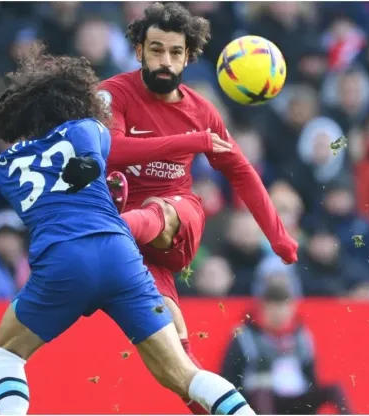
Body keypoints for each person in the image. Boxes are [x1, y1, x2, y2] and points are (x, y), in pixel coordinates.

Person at [0, 46, 255, 416]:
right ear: (73, 102)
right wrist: (88, 163)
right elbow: (91, 142)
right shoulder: (85, 128)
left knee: (6, 354)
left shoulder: (4, 168)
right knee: (181, 374)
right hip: (120, 255)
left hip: (62, 262)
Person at [98, 4, 299, 412]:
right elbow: (113, 149)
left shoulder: (201, 112)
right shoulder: (111, 94)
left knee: (161, 206)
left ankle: (118, 227)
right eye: (156, 50)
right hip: (136, 251)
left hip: (176, 220)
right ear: (138, 50)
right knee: (174, 353)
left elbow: (241, 172)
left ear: (188, 56)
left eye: (175, 52)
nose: (165, 61)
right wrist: (192, 142)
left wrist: (279, 238)